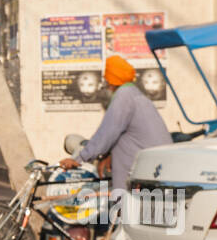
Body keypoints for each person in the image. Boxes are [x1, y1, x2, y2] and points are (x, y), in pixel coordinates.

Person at [60, 54, 171, 203]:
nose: (106, 86)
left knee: (127, 217)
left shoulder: (123, 97)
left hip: (144, 176)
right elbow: (123, 134)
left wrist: (79, 159)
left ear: (111, 82)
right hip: (155, 171)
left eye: (106, 82)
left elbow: (106, 134)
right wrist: (107, 154)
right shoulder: (135, 95)